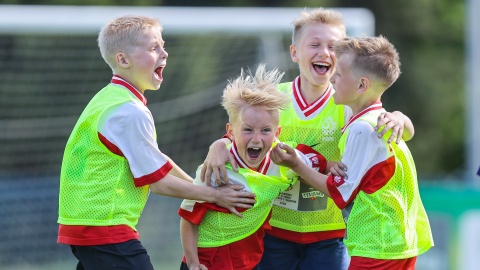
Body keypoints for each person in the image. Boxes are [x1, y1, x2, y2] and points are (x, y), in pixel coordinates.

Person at [201, 8, 415, 270]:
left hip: (330, 233)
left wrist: (400, 117)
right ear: (294, 53)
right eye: (315, 44)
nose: (325, 52)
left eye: (334, 46)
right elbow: (240, 137)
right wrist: (218, 145)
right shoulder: (274, 99)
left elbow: (392, 126)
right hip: (273, 229)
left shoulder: (349, 101)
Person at [56, 15, 256, 270]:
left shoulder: (109, 98)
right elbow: (158, 183)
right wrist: (215, 195)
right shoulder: (129, 111)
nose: (165, 53)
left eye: (163, 45)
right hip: (105, 227)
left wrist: (199, 189)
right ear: (123, 60)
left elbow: (157, 160)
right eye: (153, 48)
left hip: (86, 225)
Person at [271, 35, 434, 270]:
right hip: (396, 241)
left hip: (377, 244)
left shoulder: (362, 129)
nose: (333, 79)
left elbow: (340, 193)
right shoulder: (378, 120)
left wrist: (297, 164)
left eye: (339, 74)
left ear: (361, 85)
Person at [179, 64, 330, 270]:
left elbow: (314, 160)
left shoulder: (284, 158)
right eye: (248, 130)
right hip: (208, 263)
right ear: (230, 131)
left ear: (277, 132)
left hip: (250, 262)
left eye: (266, 130)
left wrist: (333, 166)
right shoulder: (216, 168)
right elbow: (188, 218)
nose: (257, 139)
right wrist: (194, 263)